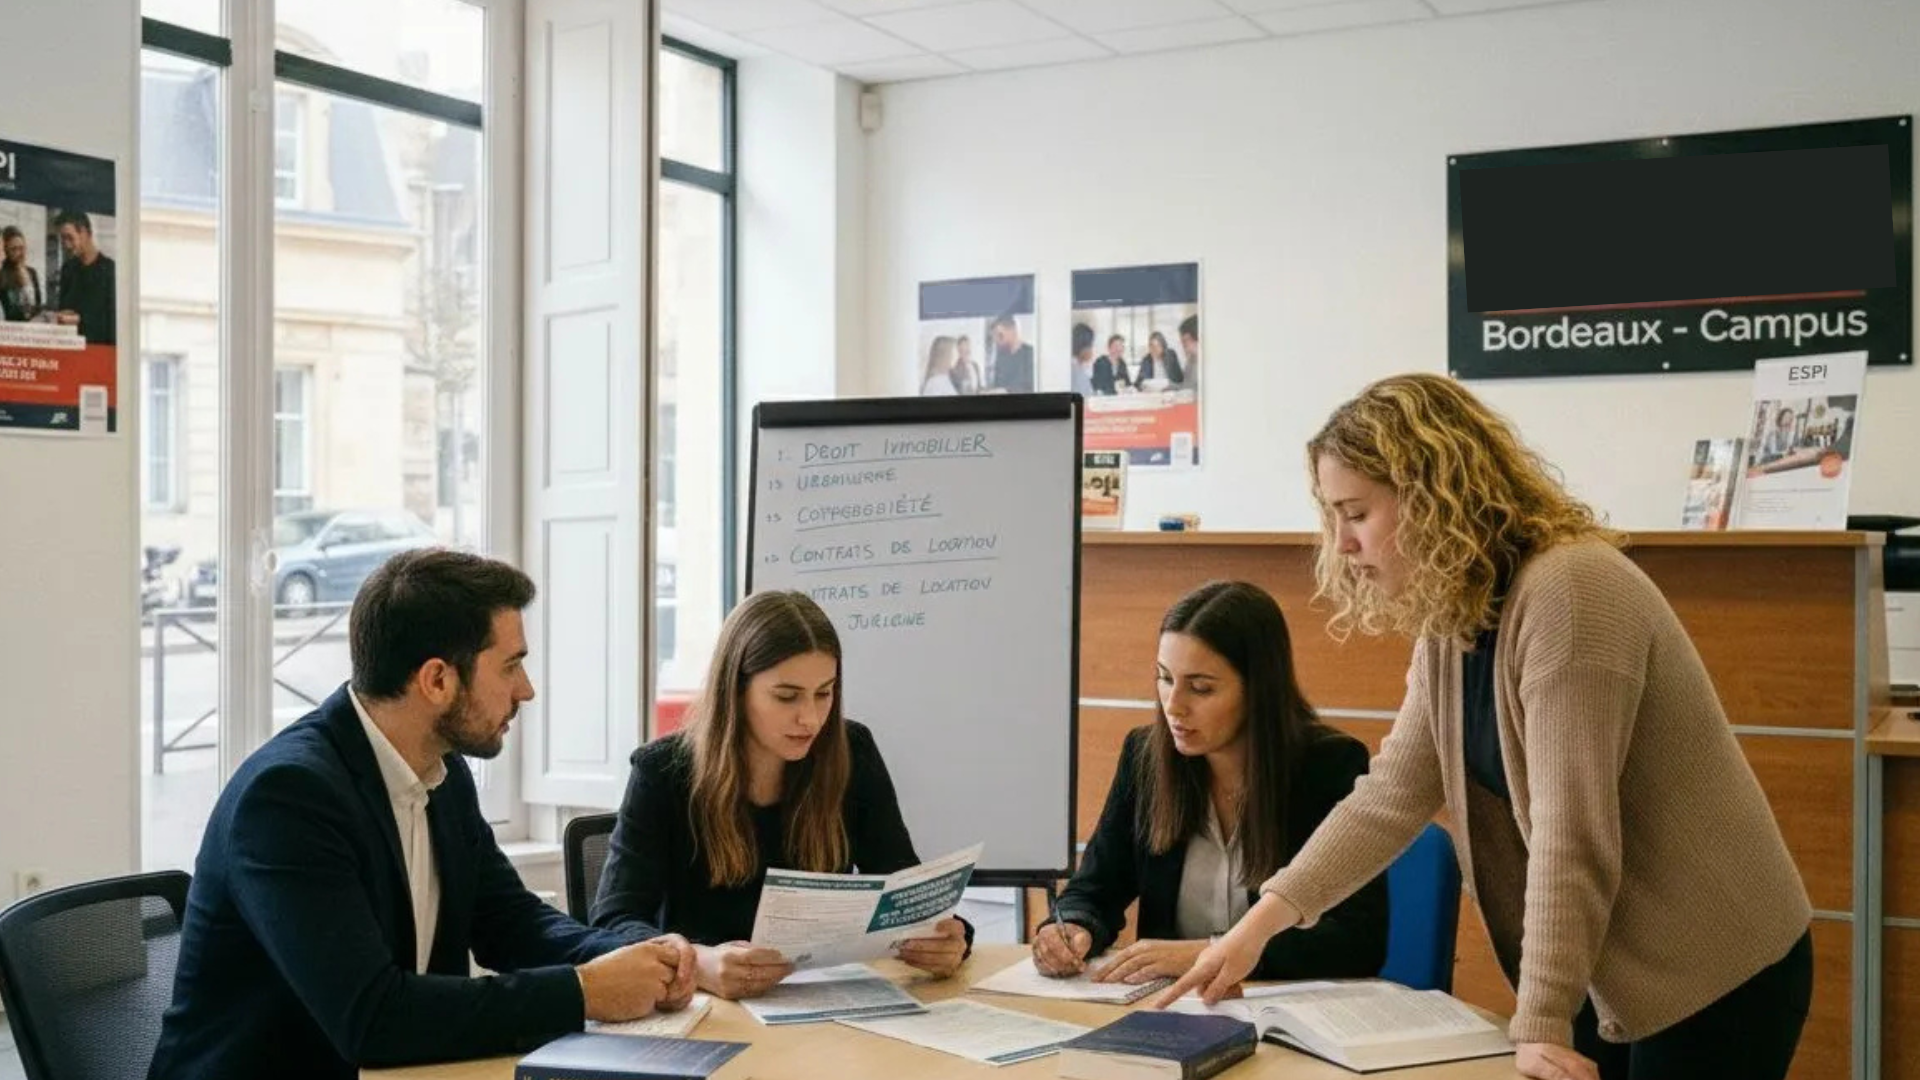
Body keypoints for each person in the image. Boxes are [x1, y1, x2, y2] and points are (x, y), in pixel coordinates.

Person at [1155, 373, 1813, 1080]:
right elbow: (1389, 798)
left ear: (1433, 493)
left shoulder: (1573, 593)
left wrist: (1540, 1020)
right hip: (1608, 968)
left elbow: (1572, 830)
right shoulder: (1454, 620)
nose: (1342, 545)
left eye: (1356, 513)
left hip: (1713, 966)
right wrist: (1251, 932)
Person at [149, 550, 697, 1080]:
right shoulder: (289, 799)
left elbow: (510, 922)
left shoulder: (441, 773)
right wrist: (586, 991)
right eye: (510, 667)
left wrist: (643, 958)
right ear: (437, 680)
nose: (526, 691)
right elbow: (373, 1018)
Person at [590, 590, 973, 1000]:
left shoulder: (851, 750)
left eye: (824, 693)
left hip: (823, 1008)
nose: (809, 718)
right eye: (786, 696)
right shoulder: (662, 772)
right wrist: (699, 963)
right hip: (707, 1012)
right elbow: (614, 921)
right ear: (736, 690)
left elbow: (904, 884)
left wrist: (949, 937)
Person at [1032, 581, 1388, 986]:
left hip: (1282, 1011)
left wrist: (1212, 951)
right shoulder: (1145, 757)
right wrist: (1073, 928)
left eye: (1201, 687)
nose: (1174, 705)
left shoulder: (1329, 765)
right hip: (1171, 1009)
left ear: (1258, 690)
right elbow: (1095, 889)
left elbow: (1357, 942)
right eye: (1164, 678)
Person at [52, 210, 115, 345]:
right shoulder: (68, 269)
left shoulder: (110, 271)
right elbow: (63, 309)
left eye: (69, 237)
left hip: (97, 353)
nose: (66, 245)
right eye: (62, 239)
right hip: (70, 350)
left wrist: (80, 320)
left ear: (85, 233)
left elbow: (113, 325)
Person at [1, 226, 44, 322]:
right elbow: (9, 309)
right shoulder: (3, 274)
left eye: (21, 248)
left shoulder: (32, 272)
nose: (19, 253)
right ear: (6, 251)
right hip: (13, 329)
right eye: (14, 249)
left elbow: (38, 303)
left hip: (34, 326)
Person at [988, 314, 1034, 393]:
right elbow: (996, 385)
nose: (997, 341)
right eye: (995, 337)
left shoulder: (1030, 355)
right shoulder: (1000, 358)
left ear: (1013, 331)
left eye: (1000, 335)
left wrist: (1006, 391)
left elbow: (1032, 387)